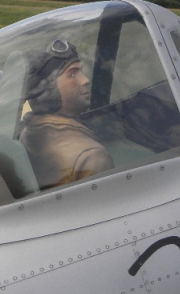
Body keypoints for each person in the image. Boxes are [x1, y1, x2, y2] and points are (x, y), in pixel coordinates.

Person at [19, 39, 114, 189]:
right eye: (72, 74)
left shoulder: (28, 131)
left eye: (80, 72)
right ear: (48, 89)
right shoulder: (92, 157)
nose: (85, 80)